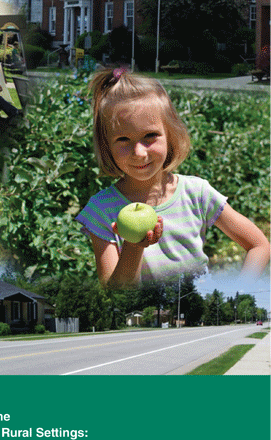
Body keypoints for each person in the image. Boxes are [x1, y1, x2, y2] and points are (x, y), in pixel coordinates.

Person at [76, 68, 270, 286]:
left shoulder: (196, 193)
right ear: (106, 145)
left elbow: (259, 245)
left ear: (171, 135)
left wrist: (238, 291)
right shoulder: (101, 210)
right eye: (123, 139)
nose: (139, 152)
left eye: (150, 136)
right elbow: (115, 294)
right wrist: (134, 245)